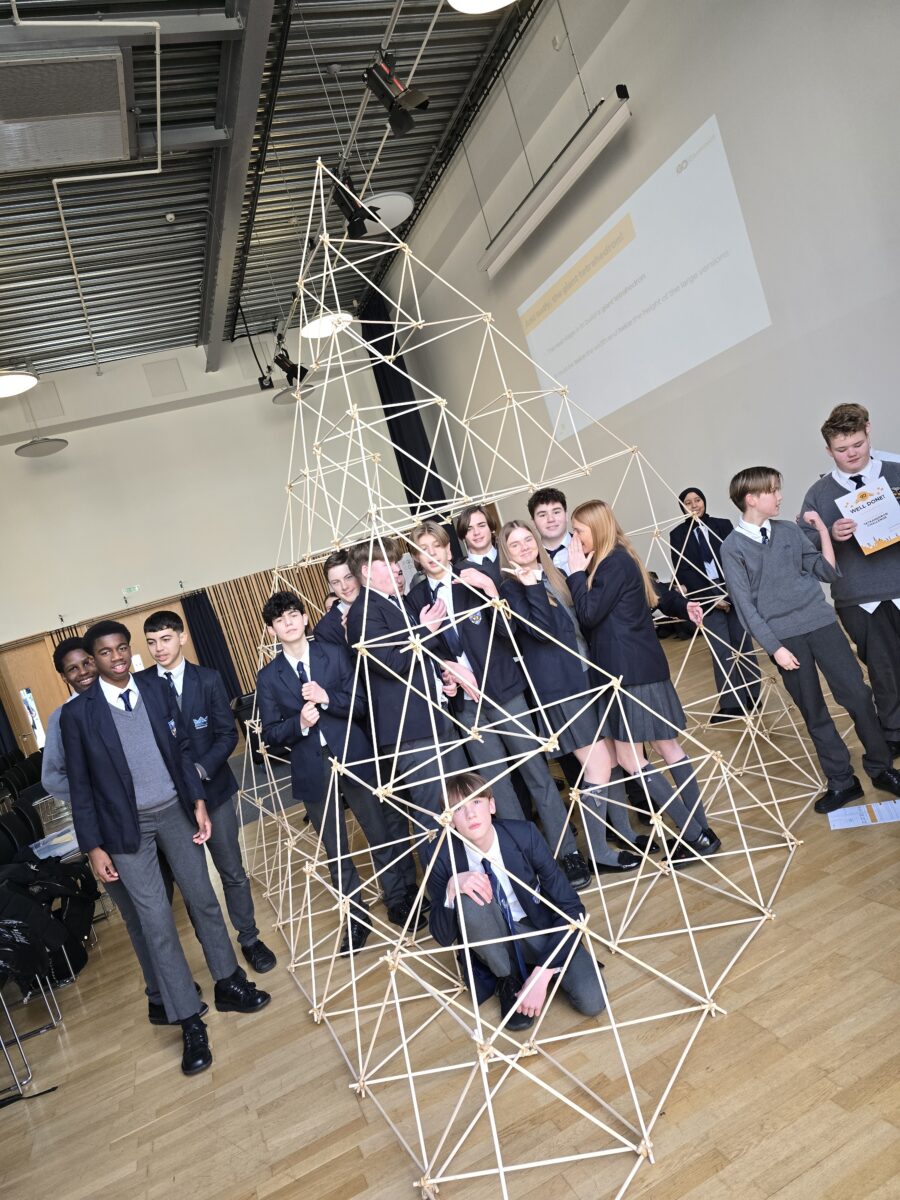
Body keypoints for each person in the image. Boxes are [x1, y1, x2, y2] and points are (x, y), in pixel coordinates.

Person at [62, 621, 269, 1076]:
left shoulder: (155, 689)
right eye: (105, 652)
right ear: (93, 659)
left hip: (176, 811)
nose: (116, 657)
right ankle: (189, 1020)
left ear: (128, 651)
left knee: (203, 900)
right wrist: (93, 847)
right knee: (156, 923)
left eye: (121, 648)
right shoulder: (79, 715)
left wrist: (197, 799)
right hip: (125, 831)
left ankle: (229, 982)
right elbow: (81, 788)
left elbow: (178, 752)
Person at [409, 521, 591, 890]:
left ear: (449, 550)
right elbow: (424, 653)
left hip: (506, 692)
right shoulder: (415, 601)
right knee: (497, 788)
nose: (432, 554)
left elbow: (511, 634)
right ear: (416, 558)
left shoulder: (475, 578)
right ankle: (523, 859)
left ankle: (567, 852)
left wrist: (492, 591)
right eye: (423, 549)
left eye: (437, 546)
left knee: (537, 774)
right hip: (466, 706)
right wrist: (449, 670)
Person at [720, 467, 900, 813]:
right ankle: (842, 782)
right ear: (752, 498)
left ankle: (881, 769)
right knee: (814, 712)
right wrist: (776, 649)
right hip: (785, 640)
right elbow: (745, 608)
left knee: (859, 697)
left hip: (822, 624)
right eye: (773, 490)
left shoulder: (788, 531)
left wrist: (822, 531)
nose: (780, 496)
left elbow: (827, 572)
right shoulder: (732, 548)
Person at [42, 637, 192, 1026]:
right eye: (72, 669)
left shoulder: (124, 697)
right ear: (65, 677)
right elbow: (55, 778)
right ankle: (158, 995)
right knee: (138, 916)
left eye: (86, 663)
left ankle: (175, 986)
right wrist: (98, 793)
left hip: (155, 816)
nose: (83, 672)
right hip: (109, 829)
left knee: (166, 904)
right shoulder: (65, 718)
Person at [256, 591, 421, 942]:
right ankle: (356, 919)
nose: (288, 623)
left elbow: (361, 704)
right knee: (335, 848)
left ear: (304, 618)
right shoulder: (268, 677)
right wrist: (299, 722)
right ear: (272, 630)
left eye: (292, 615)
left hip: (353, 756)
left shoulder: (333, 654)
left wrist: (327, 698)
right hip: (312, 768)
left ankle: (398, 900)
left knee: (379, 834)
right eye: (279, 620)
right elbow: (270, 734)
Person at [567, 500, 719, 865]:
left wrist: (575, 574)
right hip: (645, 668)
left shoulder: (610, 563)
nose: (575, 539)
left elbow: (588, 614)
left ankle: (694, 833)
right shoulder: (623, 556)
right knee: (669, 749)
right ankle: (702, 832)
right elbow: (657, 590)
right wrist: (683, 607)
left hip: (626, 674)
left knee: (630, 758)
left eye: (579, 532)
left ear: (596, 529)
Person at [498, 519, 648, 873]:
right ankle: (597, 851)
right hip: (558, 690)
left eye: (527, 540)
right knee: (596, 766)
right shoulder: (512, 590)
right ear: (506, 551)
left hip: (585, 678)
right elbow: (544, 633)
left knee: (610, 761)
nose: (524, 548)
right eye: (514, 544)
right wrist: (531, 586)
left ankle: (623, 832)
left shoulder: (553, 576)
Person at [138, 610, 276, 974]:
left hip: (213, 792)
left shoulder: (209, 679)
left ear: (182, 637)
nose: (158, 649)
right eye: (151, 642)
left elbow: (227, 734)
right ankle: (215, 949)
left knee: (232, 870)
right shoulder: (142, 686)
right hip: (172, 804)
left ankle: (249, 938)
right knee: (193, 884)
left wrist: (199, 770)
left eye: (165, 639)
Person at [427, 773, 606, 1032]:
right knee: (467, 896)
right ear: (450, 821)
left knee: (592, 1001)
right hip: (493, 942)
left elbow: (572, 907)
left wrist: (541, 974)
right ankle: (506, 977)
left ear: (491, 805)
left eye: (476, 803)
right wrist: (451, 889)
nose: (470, 815)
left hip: (539, 928)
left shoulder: (524, 835)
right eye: (458, 809)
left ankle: (537, 967)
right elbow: (442, 937)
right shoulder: (442, 856)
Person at [345, 537, 467, 858]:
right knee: (433, 816)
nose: (398, 567)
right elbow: (392, 663)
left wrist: (442, 681)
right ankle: (446, 895)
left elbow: (417, 662)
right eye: (389, 563)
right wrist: (427, 629)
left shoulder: (392, 602)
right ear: (368, 571)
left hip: (434, 718)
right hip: (411, 732)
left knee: (458, 804)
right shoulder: (364, 613)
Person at [799, 404, 900, 757]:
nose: (851, 454)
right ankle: (894, 733)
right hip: (857, 597)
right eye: (842, 450)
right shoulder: (819, 494)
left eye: (857, 444)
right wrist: (830, 535)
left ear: (868, 433)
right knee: (883, 671)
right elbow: (804, 549)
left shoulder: (897, 473)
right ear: (829, 451)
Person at [670, 487, 761, 721]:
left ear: (704, 501)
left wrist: (730, 594)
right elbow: (684, 571)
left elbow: (736, 560)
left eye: (697, 500)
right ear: (682, 507)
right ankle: (732, 704)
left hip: (732, 590)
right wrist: (712, 596)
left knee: (743, 645)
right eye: (688, 502)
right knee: (721, 650)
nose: (694, 505)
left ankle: (753, 695)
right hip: (705, 597)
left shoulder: (723, 525)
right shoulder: (677, 535)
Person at [314, 549, 359, 647]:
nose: (344, 586)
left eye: (348, 577)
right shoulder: (324, 630)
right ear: (331, 586)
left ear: (358, 575)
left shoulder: (380, 602)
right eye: (336, 582)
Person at [528, 487, 573, 575]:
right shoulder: (530, 557)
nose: (551, 519)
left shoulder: (586, 547)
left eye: (556, 512)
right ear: (533, 522)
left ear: (566, 515)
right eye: (542, 515)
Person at [454, 505, 502, 587]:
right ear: (463, 535)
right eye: (469, 529)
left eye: (481, 525)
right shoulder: (458, 572)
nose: (476, 532)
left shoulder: (509, 556)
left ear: (491, 528)